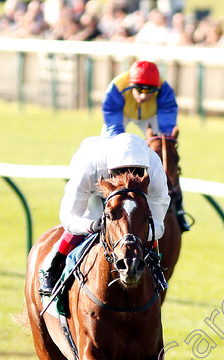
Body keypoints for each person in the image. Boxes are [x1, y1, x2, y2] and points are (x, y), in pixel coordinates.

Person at [39, 132, 171, 297]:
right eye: (121, 171)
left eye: (136, 172)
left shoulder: (155, 169)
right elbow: (69, 217)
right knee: (90, 215)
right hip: (97, 190)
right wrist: (93, 225)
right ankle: (53, 266)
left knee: (140, 220)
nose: (127, 177)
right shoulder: (89, 167)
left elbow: (158, 224)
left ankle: (155, 267)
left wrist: (137, 232)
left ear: (145, 169)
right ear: (109, 169)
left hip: (135, 194)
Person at [101, 60, 190, 232]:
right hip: (122, 116)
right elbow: (113, 125)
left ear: (156, 89)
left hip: (152, 117)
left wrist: (162, 139)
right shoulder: (116, 88)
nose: (142, 96)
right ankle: (103, 202)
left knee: (167, 152)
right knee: (109, 149)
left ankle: (179, 210)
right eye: (138, 90)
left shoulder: (165, 90)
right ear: (130, 84)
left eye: (148, 91)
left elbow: (167, 125)